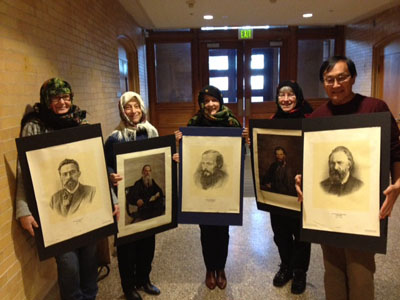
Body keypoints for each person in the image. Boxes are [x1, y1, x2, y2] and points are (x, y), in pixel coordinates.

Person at [296, 56, 400, 300]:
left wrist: (397, 183)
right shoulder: (317, 117)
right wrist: (303, 181)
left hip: (364, 207)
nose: (335, 84)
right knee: (332, 270)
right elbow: (312, 159)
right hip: (327, 210)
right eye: (329, 79)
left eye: (341, 78)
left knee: (360, 270)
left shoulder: (375, 108)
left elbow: (396, 151)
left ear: (353, 78)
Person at [15, 78, 120, 300]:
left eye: (66, 97)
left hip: (88, 207)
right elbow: (24, 171)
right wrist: (23, 209)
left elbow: (97, 165)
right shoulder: (34, 126)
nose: (62, 102)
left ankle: (90, 295)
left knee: (89, 259)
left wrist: (111, 198)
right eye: (56, 98)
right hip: (56, 214)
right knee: (68, 264)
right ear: (46, 100)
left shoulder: (81, 122)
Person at [175, 85, 246, 290]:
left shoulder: (232, 123)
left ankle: (221, 268)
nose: (210, 104)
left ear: (220, 101)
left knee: (222, 231)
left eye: (214, 100)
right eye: (206, 101)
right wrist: (179, 146)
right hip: (200, 193)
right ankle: (209, 269)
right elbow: (189, 157)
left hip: (225, 191)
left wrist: (244, 139)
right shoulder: (194, 123)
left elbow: (240, 157)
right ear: (201, 104)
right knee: (206, 231)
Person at [104, 91, 161, 300]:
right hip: (126, 199)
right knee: (127, 247)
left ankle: (144, 280)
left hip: (149, 205)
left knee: (148, 242)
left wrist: (172, 157)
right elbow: (106, 164)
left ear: (142, 107)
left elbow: (158, 158)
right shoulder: (114, 138)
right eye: (128, 107)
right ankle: (128, 287)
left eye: (136, 106)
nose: (133, 111)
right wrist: (111, 174)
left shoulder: (151, 132)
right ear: (122, 110)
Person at [267, 80, 312, 294]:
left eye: (290, 94)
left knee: (302, 234)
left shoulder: (311, 118)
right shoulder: (273, 120)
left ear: (299, 96)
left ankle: (300, 271)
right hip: (278, 196)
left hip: (303, 191)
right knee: (280, 233)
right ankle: (286, 266)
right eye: (281, 95)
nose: (285, 99)